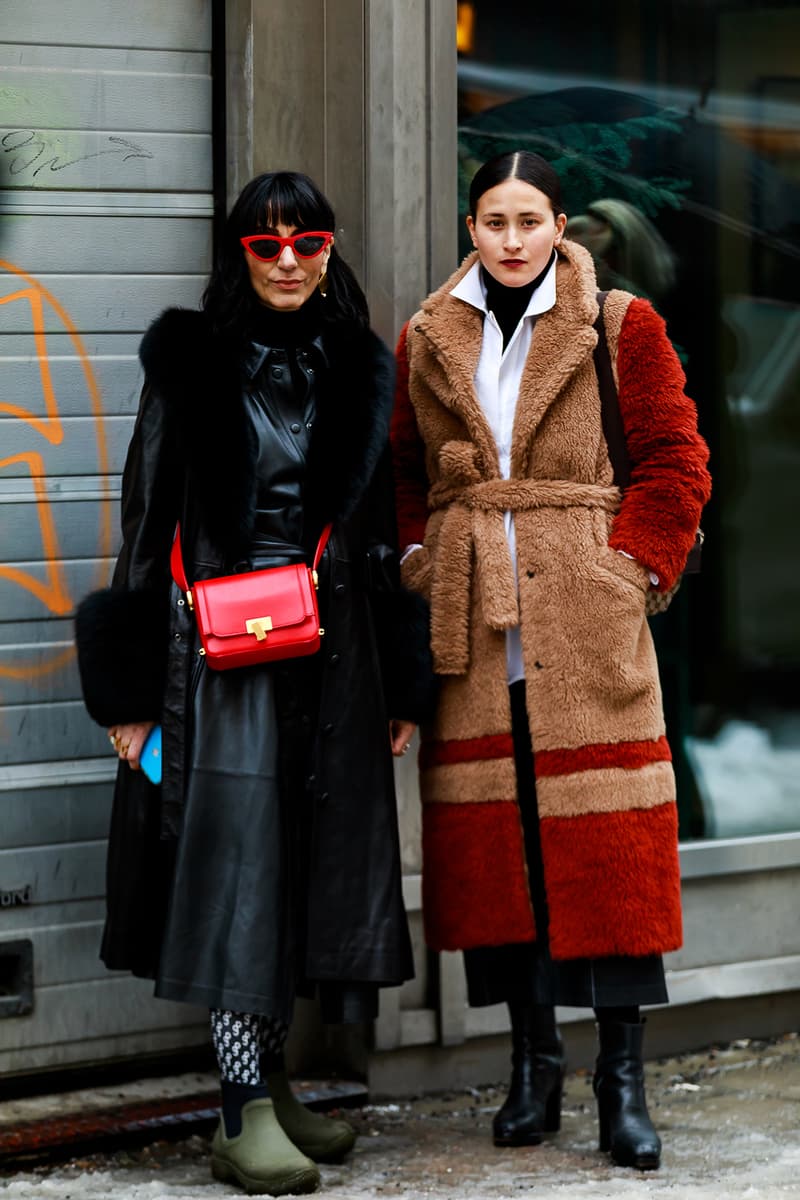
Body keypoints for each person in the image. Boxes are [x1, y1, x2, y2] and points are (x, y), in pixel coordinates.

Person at [75, 170, 433, 1197]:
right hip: (219, 665)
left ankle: (268, 1086)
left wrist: (403, 681)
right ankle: (236, 1110)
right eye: (264, 244)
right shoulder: (191, 365)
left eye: (305, 242)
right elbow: (147, 526)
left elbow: (379, 536)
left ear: (328, 251)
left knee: (301, 870)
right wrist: (132, 692)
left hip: (340, 655)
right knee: (241, 875)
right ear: (237, 254)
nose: (286, 261)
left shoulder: (360, 365)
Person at [391, 150, 711, 1172]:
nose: (513, 238)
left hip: (585, 620)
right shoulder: (427, 335)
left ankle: (621, 1078)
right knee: (503, 849)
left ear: (559, 223)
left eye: (530, 219)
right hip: (475, 626)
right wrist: (415, 561)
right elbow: (404, 471)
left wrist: (631, 573)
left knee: (608, 850)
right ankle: (532, 1067)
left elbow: (673, 460)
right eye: (493, 220)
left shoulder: (619, 323)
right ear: (471, 227)